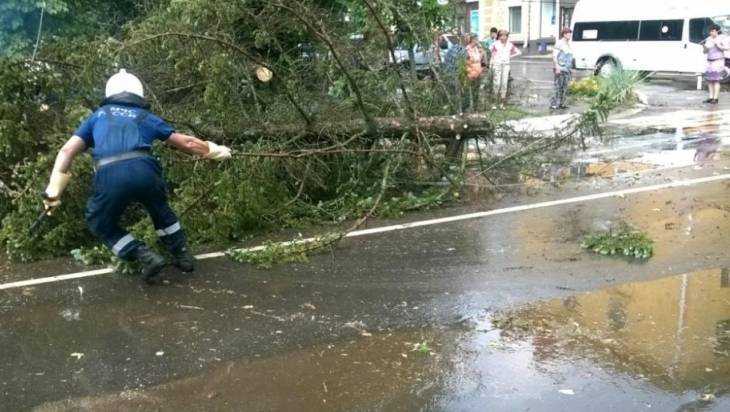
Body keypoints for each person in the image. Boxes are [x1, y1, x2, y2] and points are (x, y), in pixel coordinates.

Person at [43, 69, 232, 284]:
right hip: (145, 171)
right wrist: (214, 150)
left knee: (99, 221)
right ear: (138, 93)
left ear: (109, 93)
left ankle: (144, 255)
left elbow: (67, 150)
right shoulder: (145, 117)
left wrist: (54, 189)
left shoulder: (99, 116)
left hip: (110, 174)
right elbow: (186, 143)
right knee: (160, 210)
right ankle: (182, 255)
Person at [490, 29, 521, 108]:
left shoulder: (510, 45)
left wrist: (509, 56)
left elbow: (518, 52)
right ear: (499, 36)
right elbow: (492, 55)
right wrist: (491, 65)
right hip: (497, 65)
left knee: (504, 84)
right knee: (497, 83)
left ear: (507, 37)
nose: (503, 37)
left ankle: (502, 103)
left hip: (506, 65)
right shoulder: (495, 44)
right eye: (501, 36)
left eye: (505, 36)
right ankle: (494, 102)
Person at [550, 27, 574, 110]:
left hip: (566, 69)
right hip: (560, 68)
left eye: (570, 34)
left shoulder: (568, 44)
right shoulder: (559, 43)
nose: (570, 35)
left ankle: (561, 103)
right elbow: (554, 55)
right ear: (564, 34)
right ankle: (554, 104)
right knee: (558, 87)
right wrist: (557, 67)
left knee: (565, 87)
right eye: (568, 34)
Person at [703, 25, 728, 105]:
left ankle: (715, 98)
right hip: (709, 61)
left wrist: (717, 44)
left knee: (716, 80)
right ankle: (711, 97)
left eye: (713, 31)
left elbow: (726, 48)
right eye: (710, 31)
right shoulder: (708, 39)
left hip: (718, 61)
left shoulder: (721, 38)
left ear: (717, 31)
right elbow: (704, 52)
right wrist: (704, 47)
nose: (711, 33)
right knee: (709, 80)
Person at [465, 34, 485, 111]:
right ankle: (470, 107)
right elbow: (468, 61)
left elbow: (479, 60)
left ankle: (476, 107)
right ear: (472, 40)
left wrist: (481, 54)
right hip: (471, 72)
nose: (478, 41)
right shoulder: (467, 49)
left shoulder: (476, 48)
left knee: (477, 90)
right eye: (476, 39)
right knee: (471, 90)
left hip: (478, 71)